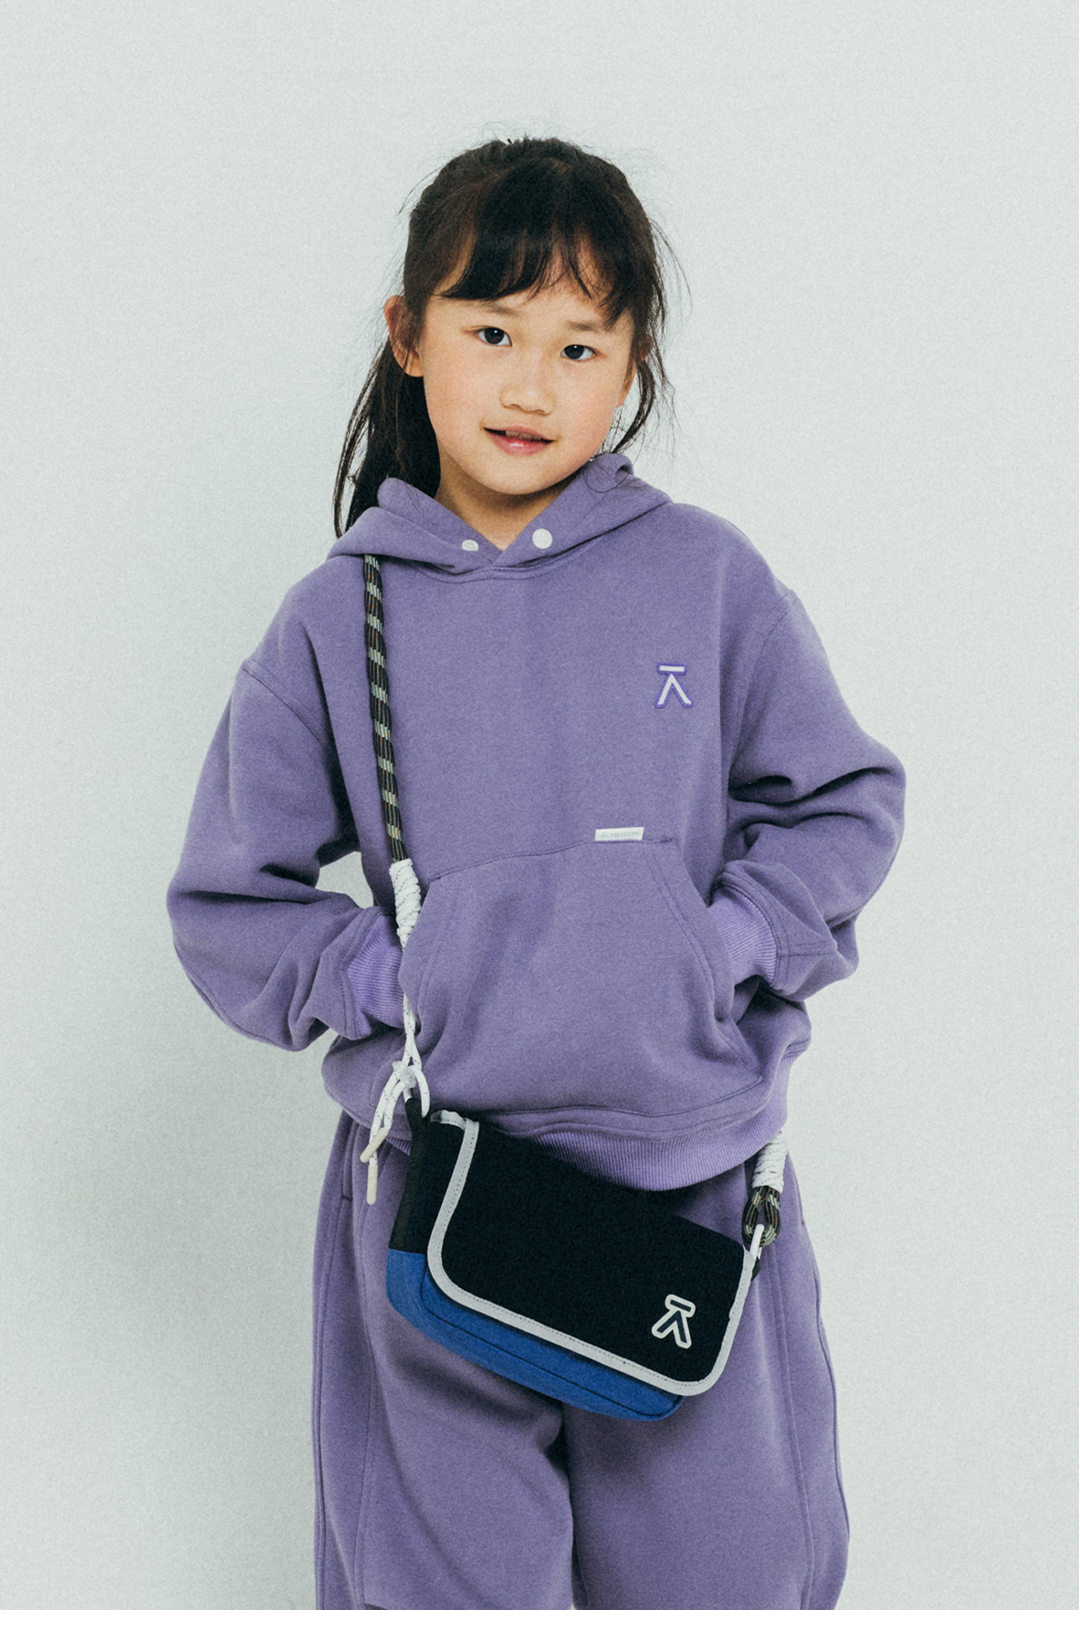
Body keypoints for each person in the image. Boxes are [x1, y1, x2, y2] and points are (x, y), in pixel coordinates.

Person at [167, 136, 905, 1610]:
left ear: (632, 366)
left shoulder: (705, 578)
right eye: (492, 331)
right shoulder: (340, 621)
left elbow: (841, 801)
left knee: (729, 1583)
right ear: (409, 335)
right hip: (437, 1197)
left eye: (579, 345)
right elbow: (230, 902)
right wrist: (399, 982)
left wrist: (719, 948)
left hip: (690, 1184)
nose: (529, 384)